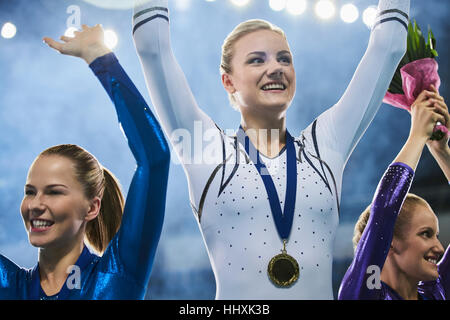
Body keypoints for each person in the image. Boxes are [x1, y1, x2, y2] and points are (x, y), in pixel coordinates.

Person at [132, 0, 410, 299]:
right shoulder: (206, 150)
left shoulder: (325, 146)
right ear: (228, 81)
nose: (275, 68)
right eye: (256, 60)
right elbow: (153, 48)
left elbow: (389, 46)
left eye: (284, 59)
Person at [0, 25, 170, 300]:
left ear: (92, 207)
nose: (35, 204)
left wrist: (100, 59)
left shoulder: (116, 275)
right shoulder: (10, 285)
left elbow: (155, 160)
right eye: (30, 191)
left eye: (54, 191)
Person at [338, 85, 450, 300]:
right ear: (389, 242)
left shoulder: (436, 291)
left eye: (435, 235)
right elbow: (385, 211)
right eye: (426, 234)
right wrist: (417, 136)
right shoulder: (364, 291)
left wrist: (441, 150)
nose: (439, 246)